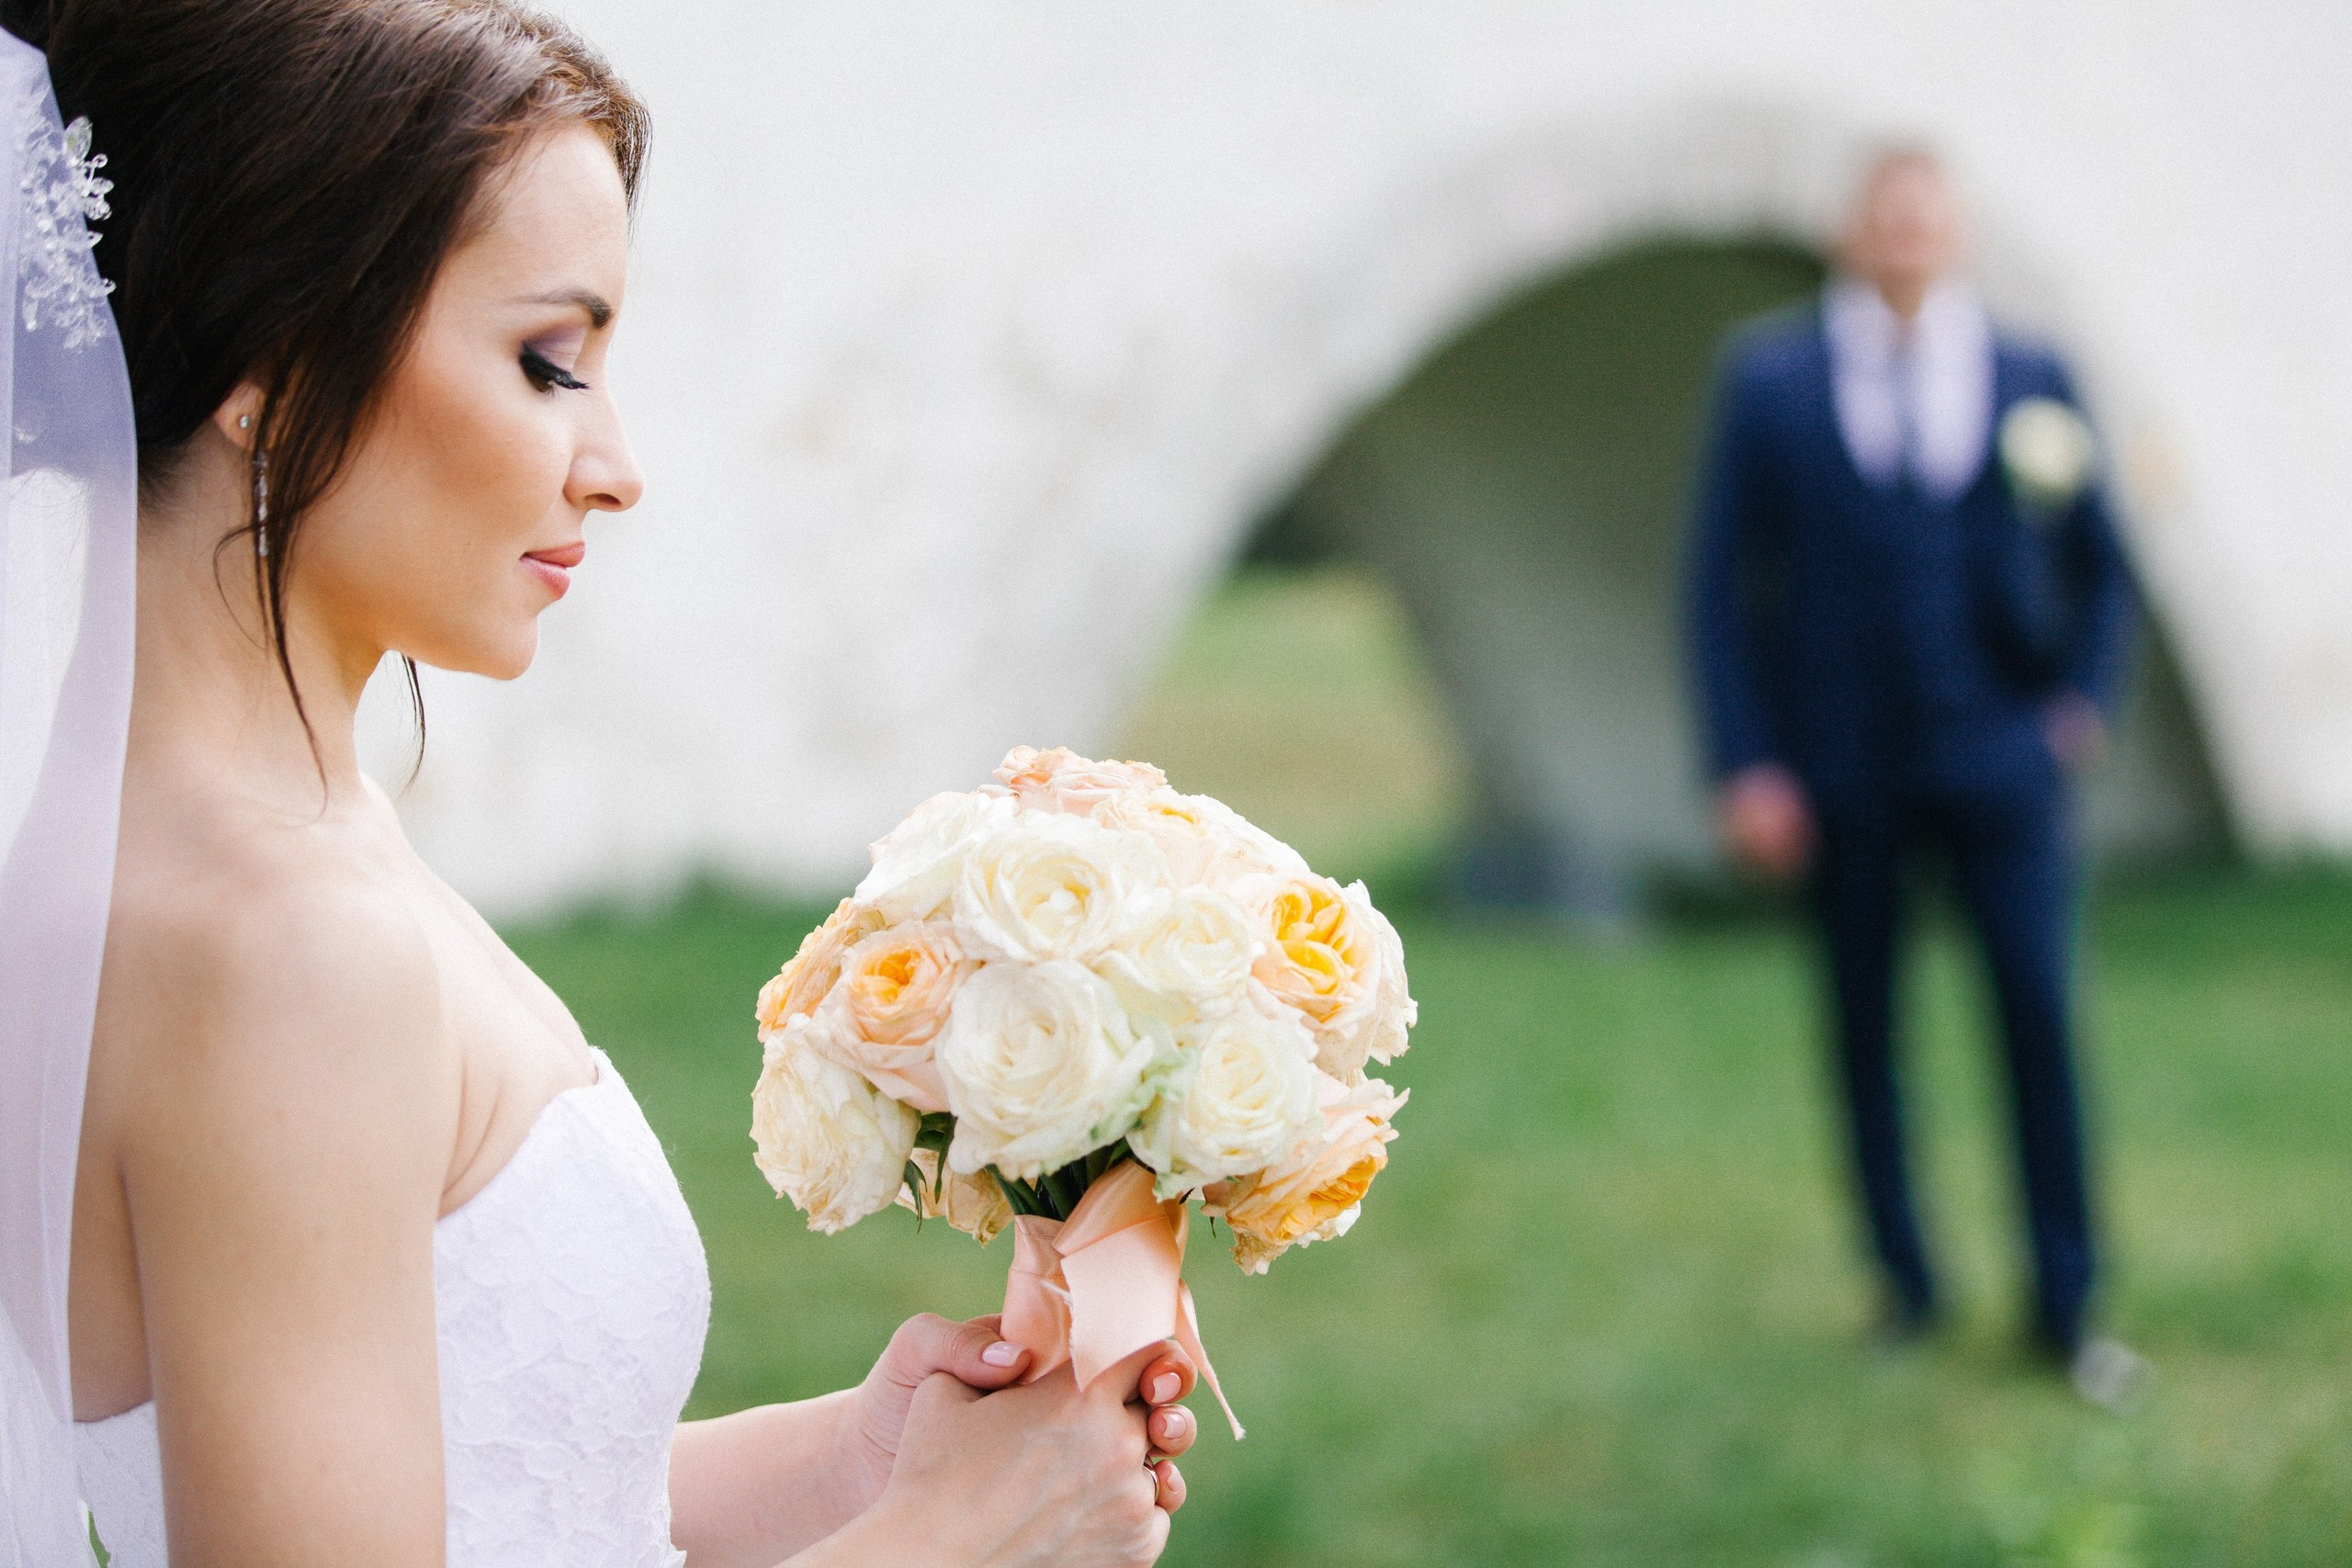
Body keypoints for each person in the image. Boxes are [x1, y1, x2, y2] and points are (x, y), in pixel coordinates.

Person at [0, 3, 1199, 1563]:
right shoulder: (275, 942)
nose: (616, 464)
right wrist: (951, 1543)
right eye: (548, 361)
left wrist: (862, 1462)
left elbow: (529, 1504)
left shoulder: (248, 851)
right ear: (275, 370)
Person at [1683, 147, 2144, 1402]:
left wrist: (2076, 710)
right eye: (1884, 212)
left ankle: (2067, 1305)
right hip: (1840, 768)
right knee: (1864, 1029)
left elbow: (2106, 566)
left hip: (2001, 756)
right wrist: (1750, 765)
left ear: (1955, 231)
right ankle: (1906, 1284)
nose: (1903, 232)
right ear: (1850, 228)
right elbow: (1719, 589)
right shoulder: (1769, 379)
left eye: (1924, 213)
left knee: (2040, 1022)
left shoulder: (2031, 373)